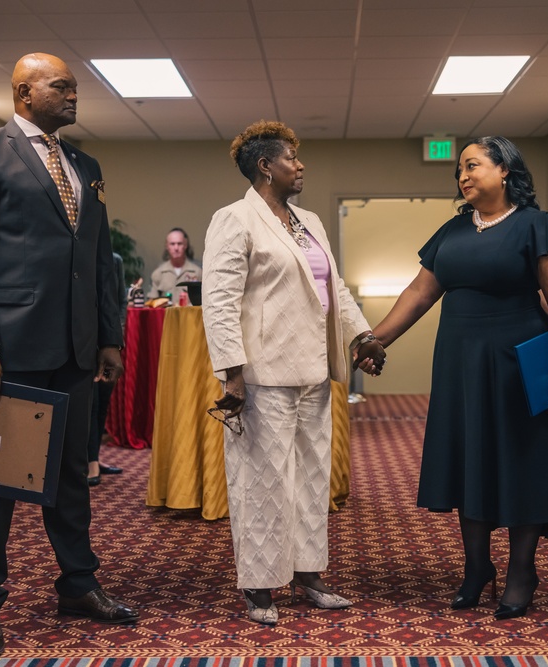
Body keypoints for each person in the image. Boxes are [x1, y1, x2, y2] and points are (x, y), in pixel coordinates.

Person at [0, 53, 137, 657]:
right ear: (23, 92)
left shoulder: (84, 163)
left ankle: (78, 584)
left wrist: (110, 335)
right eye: (62, 86)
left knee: (71, 477)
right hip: (11, 348)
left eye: (75, 87)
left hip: (77, 348)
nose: (73, 95)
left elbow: (104, 259)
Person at [370, 136, 548, 620]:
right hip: (461, 363)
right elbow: (419, 294)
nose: (463, 175)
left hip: (519, 362)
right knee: (471, 459)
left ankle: (522, 571)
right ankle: (477, 567)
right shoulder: (453, 231)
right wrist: (378, 339)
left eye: (473, 165)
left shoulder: (538, 226)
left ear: (506, 170)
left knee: (523, 461)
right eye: (459, 169)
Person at [202, 120, 383, 626]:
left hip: (313, 372)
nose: (300, 165)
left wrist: (361, 335)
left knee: (310, 476)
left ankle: (308, 574)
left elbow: (335, 289)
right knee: (261, 479)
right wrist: (230, 372)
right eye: (291, 157)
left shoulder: (309, 222)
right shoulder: (234, 220)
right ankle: (259, 584)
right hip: (262, 374)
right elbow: (218, 302)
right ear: (265, 166)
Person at [87, 251, 127, 486]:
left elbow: (121, 300)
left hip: (109, 341)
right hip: (85, 340)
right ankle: (89, 461)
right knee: (89, 404)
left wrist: (115, 333)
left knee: (103, 402)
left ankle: (95, 457)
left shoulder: (115, 260)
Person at [148, 227, 201, 303]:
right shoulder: (158, 274)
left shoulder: (197, 272)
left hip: (189, 314)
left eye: (179, 244)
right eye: (172, 244)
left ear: (185, 245)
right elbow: (152, 303)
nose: (176, 248)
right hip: (166, 314)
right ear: (167, 246)